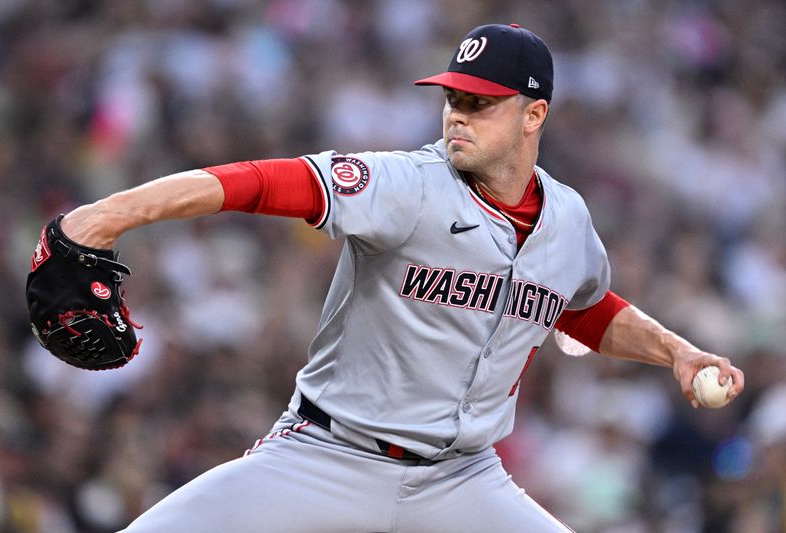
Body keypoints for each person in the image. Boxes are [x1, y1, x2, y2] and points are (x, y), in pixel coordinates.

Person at [59, 24, 744, 532]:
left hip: (465, 479)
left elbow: (585, 309)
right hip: (328, 456)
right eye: (453, 97)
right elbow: (261, 183)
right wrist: (109, 214)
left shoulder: (569, 219)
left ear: (535, 115)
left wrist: (677, 351)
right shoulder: (406, 184)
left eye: (481, 103)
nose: (457, 114)